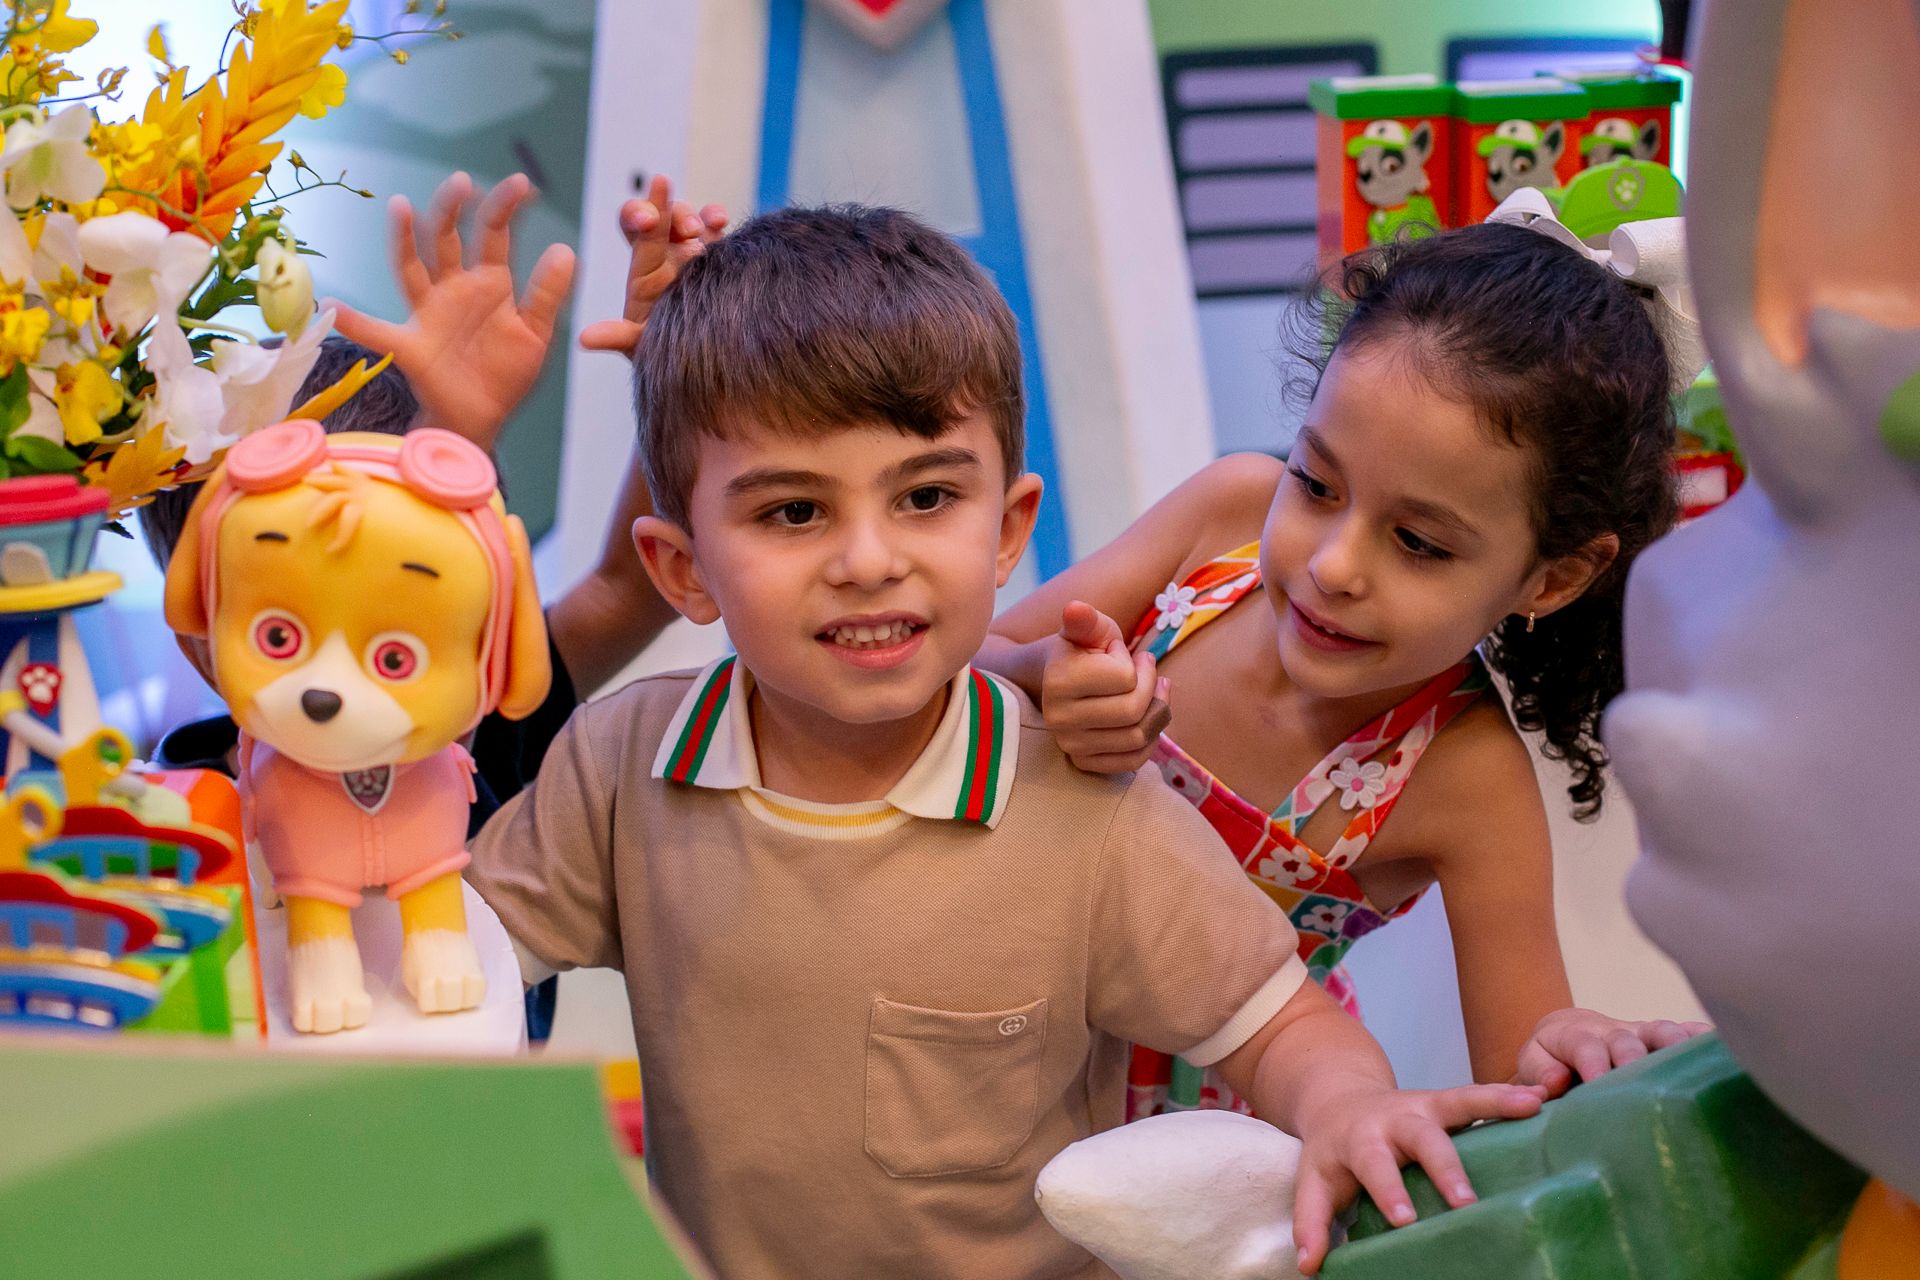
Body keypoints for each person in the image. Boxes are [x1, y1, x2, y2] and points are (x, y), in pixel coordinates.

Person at [462, 203, 1548, 1279]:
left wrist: (1349, 1104)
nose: (867, 559)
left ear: (1008, 530)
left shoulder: (1090, 807)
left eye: (926, 495)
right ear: (683, 567)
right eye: (793, 513)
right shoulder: (619, 766)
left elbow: (1279, 1026)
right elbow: (453, 961)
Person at [982, 221, 1709, 1114]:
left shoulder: (1465, 774)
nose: (1333, 565)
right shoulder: (1228, 516)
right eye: (1317, 485)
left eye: (1417, 542)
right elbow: (968, 661)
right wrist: (1041, 675)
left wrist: (1570, 1048)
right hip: (999, 1037)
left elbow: (1521, 1070)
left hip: (1216, 1136)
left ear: (1553, 577)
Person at [145, 171, 723, 1036]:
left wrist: (677, 388)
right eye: (282, 618)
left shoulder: (487, 713)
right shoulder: (187, 789)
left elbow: (626, 584)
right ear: (199, 614)